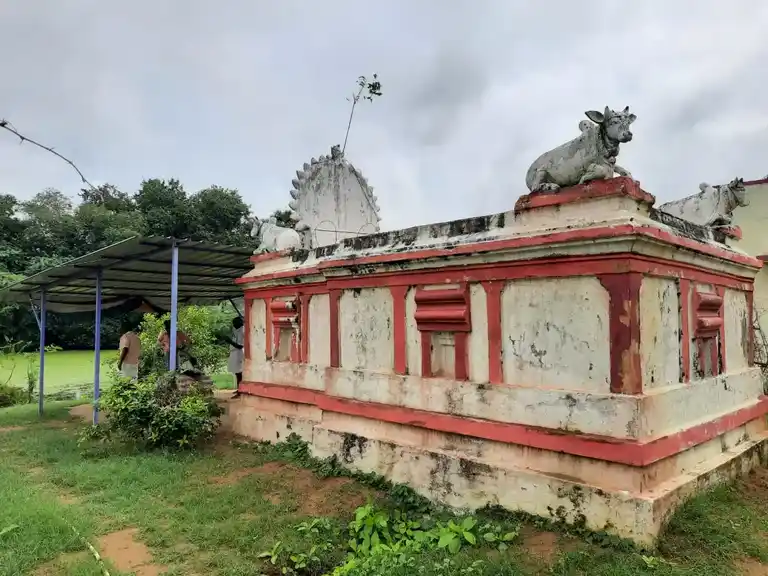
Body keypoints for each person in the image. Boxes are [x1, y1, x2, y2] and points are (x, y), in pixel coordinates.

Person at [222, 317, 244, 398]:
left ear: (239, 322)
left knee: (239, 373)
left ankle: (240, 391)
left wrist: (229, 341)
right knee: (236, 373)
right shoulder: (237, 331)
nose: (233, 325)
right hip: (235, 354)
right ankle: (239, 389)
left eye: (234, 323)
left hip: (238, 353)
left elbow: (240, 346)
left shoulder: (241, 331)